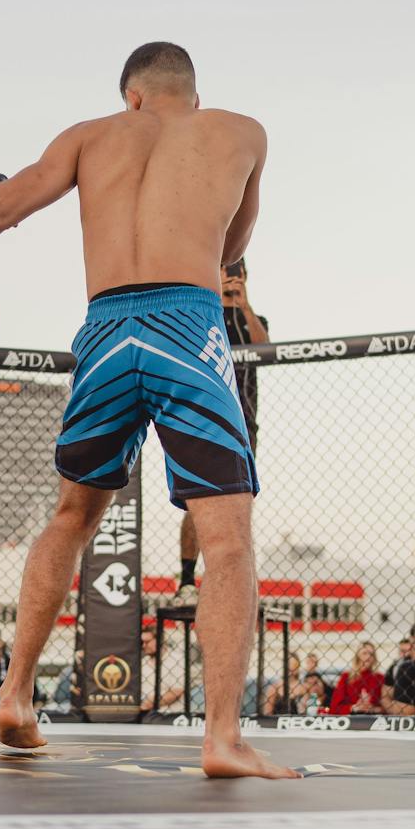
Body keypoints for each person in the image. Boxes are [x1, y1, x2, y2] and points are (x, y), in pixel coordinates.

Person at [0, 42, 295, 779]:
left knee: (72, 515)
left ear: (133, 97)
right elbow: (232, 247)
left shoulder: (91, 135)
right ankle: (221, 737)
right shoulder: (241, 132)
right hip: (187, 323)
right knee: (227, 536)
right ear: (192, 94)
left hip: (107, 330)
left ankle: (17, 696)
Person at [175, 259, 267, 605]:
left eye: (235, 272)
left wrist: (242, 303)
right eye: (224, 270)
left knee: (239, 503)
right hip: (205, 418)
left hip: (244, 423)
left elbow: (264, 345)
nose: (229, 277)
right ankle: (186, 580)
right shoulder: (204, 310)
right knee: (195, 503)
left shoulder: (251, 318)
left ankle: (230, 581)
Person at [329, 642, 384, 715]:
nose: (368, 657)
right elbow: (334, 707)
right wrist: (354, 708)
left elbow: (387, 706)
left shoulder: (380, 678)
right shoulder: (346, 677)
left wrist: (372, 709)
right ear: (357, 656)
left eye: (371, 654)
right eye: (364, 653)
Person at [139, 626, 185, 712]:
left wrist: (150, 703)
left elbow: (177, 691)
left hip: (170, 714)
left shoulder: (177, 659)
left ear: (159, 640)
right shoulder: (142, 662)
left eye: (147, 642)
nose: (143, 645)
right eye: (142, 642)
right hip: (145, 714)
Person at [380, 637, 413, 711]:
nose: (406, 654)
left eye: (409, 650)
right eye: (403, 651)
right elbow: (386, 694)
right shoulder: (394, 667)